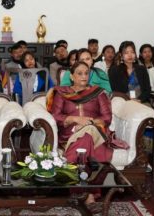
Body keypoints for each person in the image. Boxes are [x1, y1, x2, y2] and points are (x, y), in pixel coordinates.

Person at [50, 61, 128, 208]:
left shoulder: (98, 92)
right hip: (69, 135)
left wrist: (89, 123)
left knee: (87, 136)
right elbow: (55, 116)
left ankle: (78, 188)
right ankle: (89, 194)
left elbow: (106, 117)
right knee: (85, 142)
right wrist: (74, 119)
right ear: (72, 76)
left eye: (86, 73)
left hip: (95, 133)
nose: (84, 76)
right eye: (79, 73)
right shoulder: (62, 93)